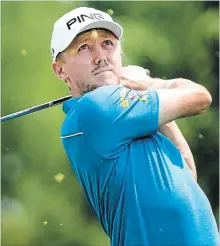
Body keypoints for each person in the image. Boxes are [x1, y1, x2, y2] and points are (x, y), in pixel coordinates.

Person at [51, 7, 219, 246]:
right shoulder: (97, 108)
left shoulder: (126, 114)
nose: (100, 57)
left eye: (107, 43)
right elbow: (200, 97)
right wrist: (151, 83)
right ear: (60, 70)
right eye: (84, 47)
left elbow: (186, 171)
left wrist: (141, 91)